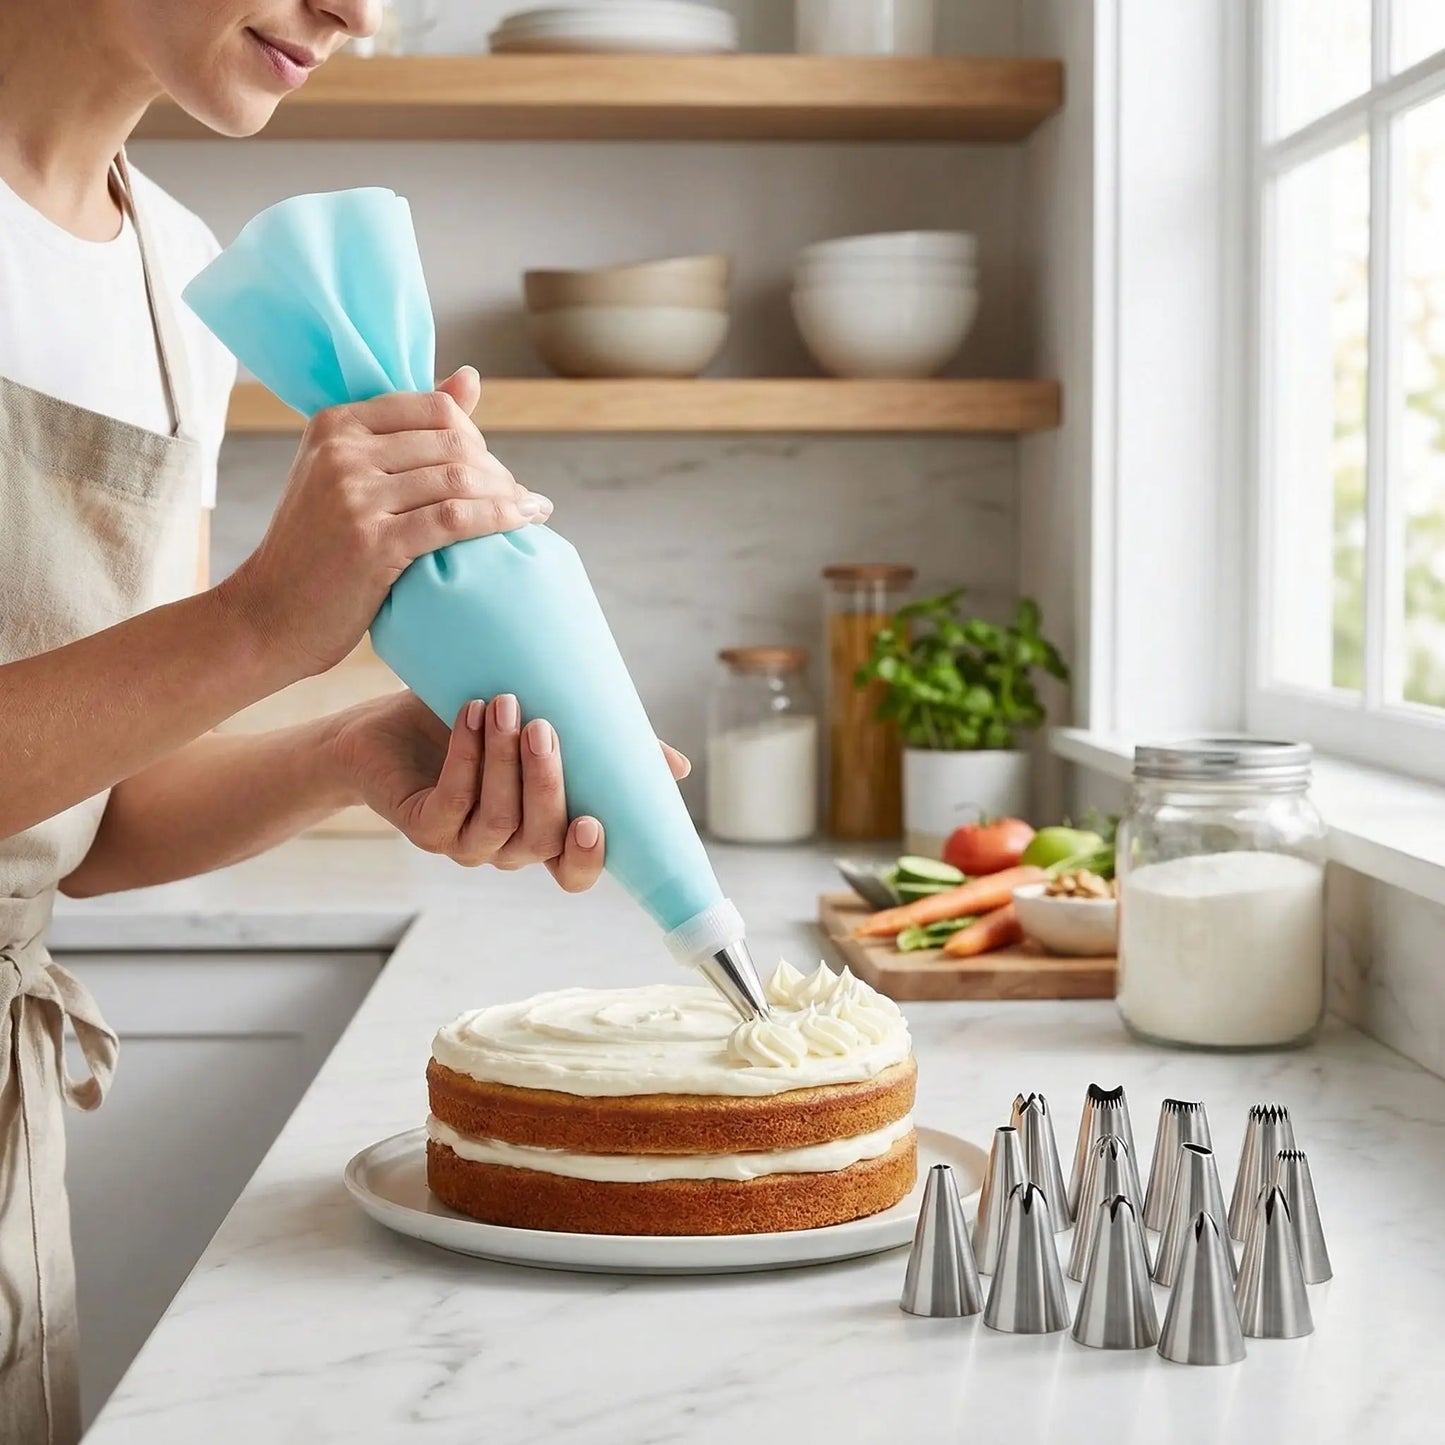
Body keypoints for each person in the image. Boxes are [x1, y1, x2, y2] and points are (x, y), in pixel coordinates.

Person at [0, 3, 688, 1439]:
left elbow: (83, 819)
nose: (359, 11)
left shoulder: (175, 281)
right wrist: (259, 620)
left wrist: (349, 751)